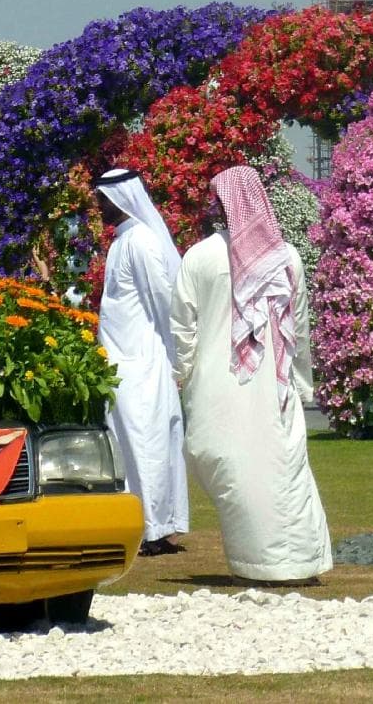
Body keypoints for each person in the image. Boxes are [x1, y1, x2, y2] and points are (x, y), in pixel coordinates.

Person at [168, 166, 331, 583]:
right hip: (269, 387)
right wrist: (300, 381)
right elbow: (302, 329)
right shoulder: (286, 257)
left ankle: (280, 565)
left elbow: (182, 329)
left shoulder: (200, 257)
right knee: (271, 470)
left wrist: (180, 374)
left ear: (223, 204)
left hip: (222, 387)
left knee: (251, 469)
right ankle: (279, 564)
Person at [94, 168, 189, 557]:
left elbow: (164, 303)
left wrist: (175, 357)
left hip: (145, 361)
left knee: (148, 442)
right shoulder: (121, 242)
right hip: (123, 363)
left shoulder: (143, 242)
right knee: (131, 443)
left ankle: (156, 530)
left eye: (101, 200)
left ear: (119, 199)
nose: (98, 207)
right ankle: (142, 525)